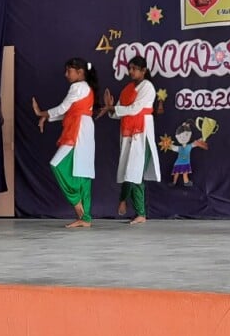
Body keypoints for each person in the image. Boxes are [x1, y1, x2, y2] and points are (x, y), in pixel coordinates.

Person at [33, 57, 98, 228]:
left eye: (69, 71)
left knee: (57, 165)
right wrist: (46, 117)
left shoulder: (77, 87)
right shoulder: (86, 88)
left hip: (78, 130)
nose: (65, 74)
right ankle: (85, 218)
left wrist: (42, 112)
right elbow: (68, 112)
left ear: (80, 72)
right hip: (84, 128)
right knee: (83, 173)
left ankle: (79, 208)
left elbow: (63, 108)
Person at [102, 55, 161, 224]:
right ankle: (131, 207)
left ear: (144, 71)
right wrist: (110, 109)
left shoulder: (148, 87)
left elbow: (135, 109)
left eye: (134, 68)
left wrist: (114, 108)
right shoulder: (127, 88)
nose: (131, 71)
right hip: (128, 134)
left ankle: (140, 213)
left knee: (137, 173)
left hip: (142, 133)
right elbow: (118, 113)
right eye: (130, 68)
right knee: (129, 172)